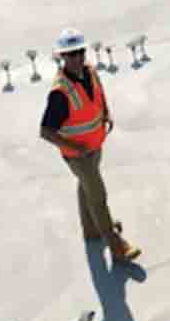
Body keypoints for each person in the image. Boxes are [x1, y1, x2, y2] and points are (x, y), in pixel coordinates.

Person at [40, 28, 141, 263]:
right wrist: (75, 149)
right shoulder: (60, 92)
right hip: (78, 155)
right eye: (70, 54)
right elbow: (46, 131)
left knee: (86, 186)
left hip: (95, 145)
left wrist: (107, 113)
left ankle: (91, 230)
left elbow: (98, 94)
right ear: (62, 57)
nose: (77, 58)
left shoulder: (91, 72)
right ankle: (116, 245)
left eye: (79, 52)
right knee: (98, 195)